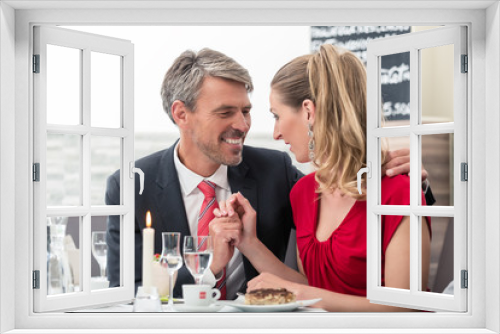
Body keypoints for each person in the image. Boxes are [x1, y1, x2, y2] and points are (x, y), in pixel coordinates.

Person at [105, 47, 432, 300]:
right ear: (181, 114)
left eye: (246, 111)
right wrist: (210, 268)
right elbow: (126, 291)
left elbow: (351, 206)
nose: (244, 125)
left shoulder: (277, 172)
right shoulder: (131, 186)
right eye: (225, 112)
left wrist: (418, 188)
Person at [213, 44, 432, 311]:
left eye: (277, 116)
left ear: (308, 111)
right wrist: (248, 243)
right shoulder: (303, 192)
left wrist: (298, 293)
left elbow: (407, 309)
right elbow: (313, 288)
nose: (276, 134)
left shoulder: (398, 193)